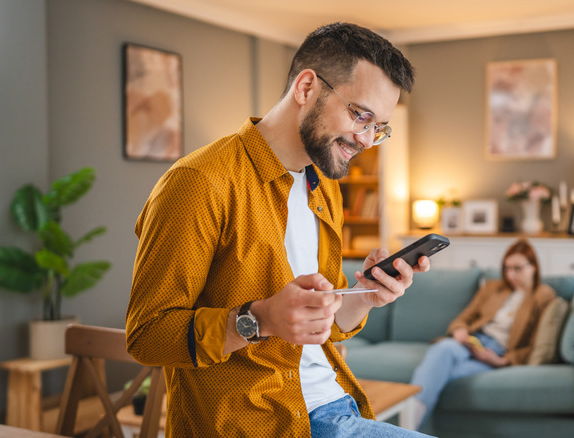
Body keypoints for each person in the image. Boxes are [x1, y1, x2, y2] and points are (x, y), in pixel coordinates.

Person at [125, 22, 433, 437]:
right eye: (360, 115)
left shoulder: (324, 186)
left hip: (336, 405)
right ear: (306, 87)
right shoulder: (199, 182)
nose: (365, 139)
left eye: (378, 127)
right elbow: (146, 336)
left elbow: (324, 320)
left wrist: (366, 297)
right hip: (255, 424)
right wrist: (258, 320)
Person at [409, 239, 556, 429]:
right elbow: (464, 318)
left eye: (517, 268)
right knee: (444, 349)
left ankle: (406, 426)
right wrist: (460, 331)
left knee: (439, 372)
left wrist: (502, 361)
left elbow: (536, 345)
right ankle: (407, 430)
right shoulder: (493, 288)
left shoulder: (543, 296)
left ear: (533, 267)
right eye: (507, 268)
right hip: (471, 340)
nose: (510, 275)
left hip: (494, 353)